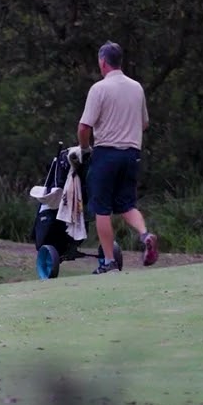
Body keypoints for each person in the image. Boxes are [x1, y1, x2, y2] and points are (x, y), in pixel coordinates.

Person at [77, 41, 159, 274]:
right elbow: (144, 124)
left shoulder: (99, 89)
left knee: (101, 208)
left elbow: (84, 127)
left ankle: (109, 262)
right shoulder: (136, 88)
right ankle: (145, 235)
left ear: (103, 62)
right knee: (126, 204)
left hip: (106, 153)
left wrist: (85, 150)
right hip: (131, 153)